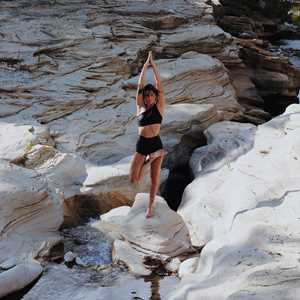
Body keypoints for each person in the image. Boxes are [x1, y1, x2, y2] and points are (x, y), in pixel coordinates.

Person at [129, 51, 166, 218]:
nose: (149, 97)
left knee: (154, 180)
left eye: (152, 95)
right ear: (144, 98)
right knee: (133, 178)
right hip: (141, 145)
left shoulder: (159, 108)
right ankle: (150, 159)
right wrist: (145, 65)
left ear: (155, 97)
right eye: (147, 95)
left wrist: (155, 66)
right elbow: (140, 85)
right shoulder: (140, 108)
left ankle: (150, 209)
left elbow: (159, 85)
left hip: (155, 144)